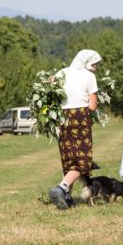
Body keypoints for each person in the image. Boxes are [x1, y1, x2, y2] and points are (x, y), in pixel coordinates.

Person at [49, 49, 101, 210]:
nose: (96, 68)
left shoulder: (61, 73)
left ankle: (67, 198)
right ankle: (61, 187)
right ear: (87, 63)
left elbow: (52, 93)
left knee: (69, 158)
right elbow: (92, 106)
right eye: (94, 64)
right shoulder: (89, 76)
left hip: (63, 118)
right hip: (80, 117)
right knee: (82, 160)